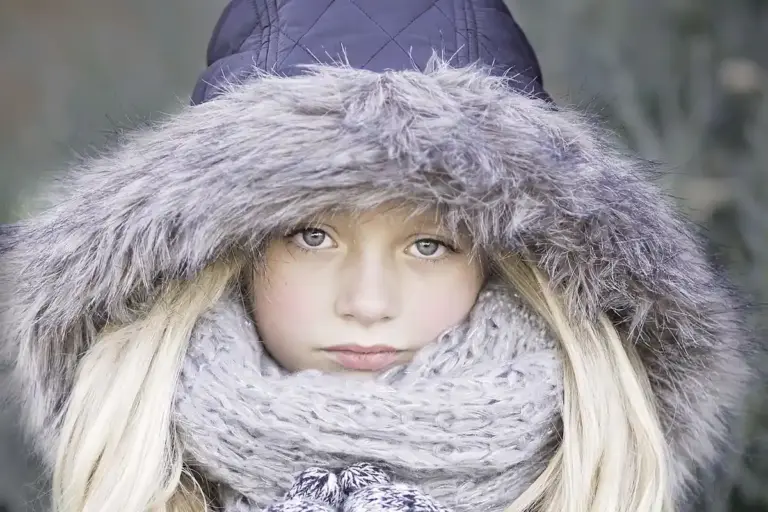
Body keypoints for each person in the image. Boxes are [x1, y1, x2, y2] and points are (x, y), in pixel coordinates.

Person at [0, 1, 755, 511]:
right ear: (225, 254)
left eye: (430, 244)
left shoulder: (600, 479)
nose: (367, 302)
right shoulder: (131, 476)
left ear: (508, 266)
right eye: (311, 235)